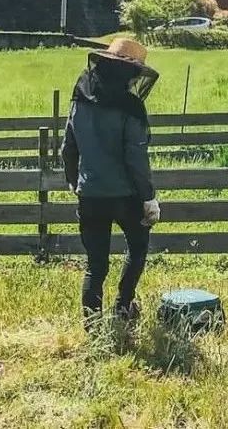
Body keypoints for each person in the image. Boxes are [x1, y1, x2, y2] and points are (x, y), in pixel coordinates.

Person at [61, 38, 161, 325]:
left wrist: (73, 180)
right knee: (138, 248)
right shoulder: (130, 107)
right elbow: (135, 158)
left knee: (95, 266)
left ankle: (93, 328)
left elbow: (68, 148)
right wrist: (148, 198)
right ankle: (122, 307)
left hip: (90, 194)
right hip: (126, 196)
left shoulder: (80, 101)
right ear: (129, 74)